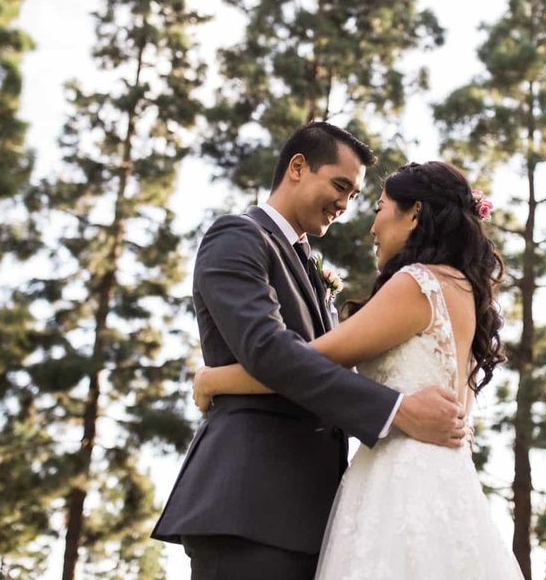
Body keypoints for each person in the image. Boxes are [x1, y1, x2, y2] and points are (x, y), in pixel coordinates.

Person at [151, 123, 466, 580]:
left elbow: (317, 359)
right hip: (251, 505)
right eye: (340, 186)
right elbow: (270, 351)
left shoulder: (307, 263)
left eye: (355, 196)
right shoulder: (238, 236)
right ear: (297, 167)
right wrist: (395, 410)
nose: (345, 205)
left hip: (315, 518)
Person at [194, 160, 524, 579]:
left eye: (378, 208)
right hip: (447, 485)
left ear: (416, 212)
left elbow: (308, 362)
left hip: (398, 486)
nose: (371, 227)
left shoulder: (417, 283)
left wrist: (213, 379)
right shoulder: (463, 291)